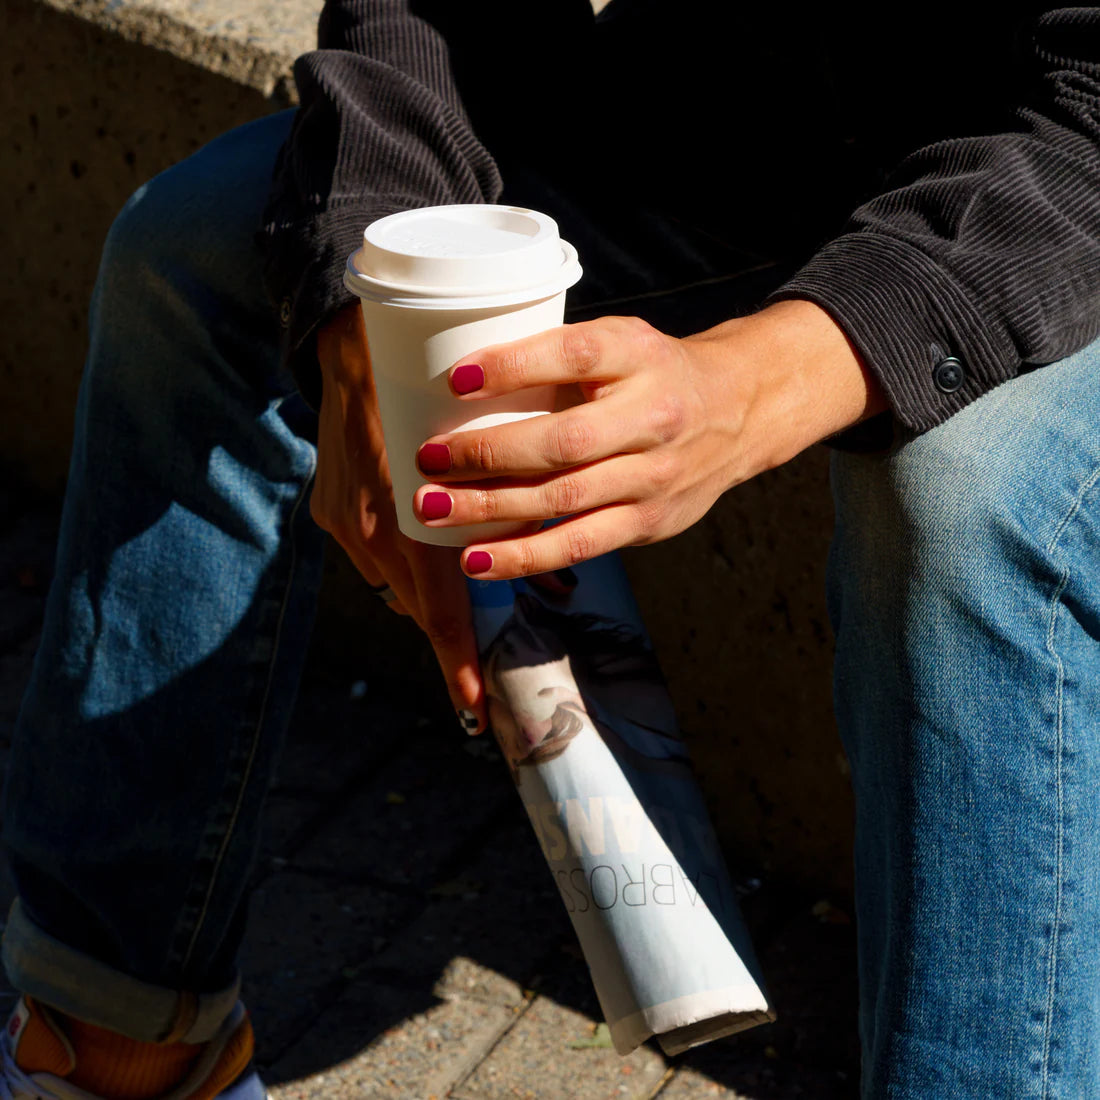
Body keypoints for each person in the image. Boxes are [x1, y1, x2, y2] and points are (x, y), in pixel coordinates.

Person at [3, 1, 1098, 1097]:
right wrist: (370, 281)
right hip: (762, 121)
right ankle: (122, 1043)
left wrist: (764, 381)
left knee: (970, 498)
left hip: (1061, 192)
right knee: (200, 244)